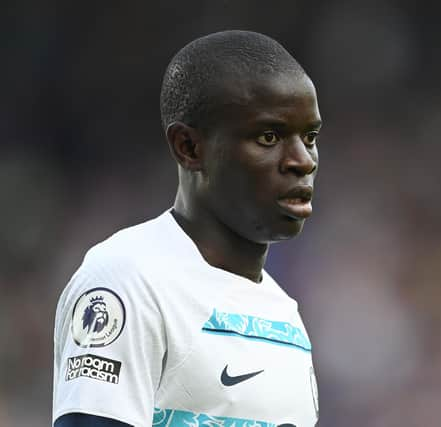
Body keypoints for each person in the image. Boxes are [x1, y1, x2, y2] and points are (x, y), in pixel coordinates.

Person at [52, 30, 321, 427]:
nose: (303, 160)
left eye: (310, 137)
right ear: (189, 148)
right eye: (269, 136)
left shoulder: (285, 316)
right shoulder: (128, 281)